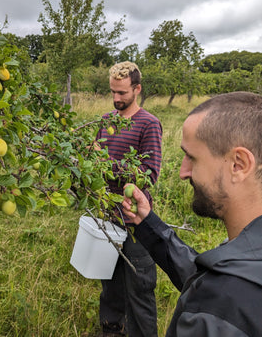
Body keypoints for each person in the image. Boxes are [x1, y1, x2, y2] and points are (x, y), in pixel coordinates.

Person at [122, 91, 262, 337]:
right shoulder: (243, 264)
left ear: (238, 164)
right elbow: (206, 277)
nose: (183, 172)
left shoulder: (216, 307)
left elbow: (218, 289)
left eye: (192, 157)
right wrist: (148, 223)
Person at [96, 61, 162, 337]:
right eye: (112, 92)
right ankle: (112, 329)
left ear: (137, 89)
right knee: (109, 282)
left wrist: (109, 165)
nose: (116, 98)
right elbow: (93, 162)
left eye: (122, 93)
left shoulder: (149, 124)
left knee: (140, 287)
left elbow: (149, 174)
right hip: (107, 216)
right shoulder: (105, 121)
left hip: (135, 220)